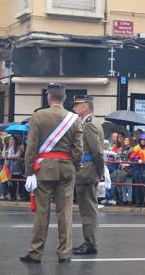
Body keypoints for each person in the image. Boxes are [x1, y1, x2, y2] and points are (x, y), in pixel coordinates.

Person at [20, 83, 83, 264]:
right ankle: (64, 253)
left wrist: (29, 171)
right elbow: (78, 149)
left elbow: (31, 147)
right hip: (66, 170)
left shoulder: (38, 116)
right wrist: (75, 167)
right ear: (64, 98)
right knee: (65, 214)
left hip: (43, 170)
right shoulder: (74, 118)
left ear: (49, 97)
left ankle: (35, 252)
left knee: (42, 213)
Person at [72, 95, 105, 255]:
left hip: (87, 172)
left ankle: (90, 243)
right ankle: (88, 241)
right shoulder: (91, 123)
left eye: (77, 105)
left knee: (88, 210)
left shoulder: (89, 125)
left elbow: (97, 152)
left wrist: (100, 171)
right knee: (86, 209)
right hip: (88, 171)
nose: (74, 108)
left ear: (85, 106)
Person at [130, 134, 145, 207]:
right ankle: (138, 202)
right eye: (142, 140)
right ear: (140, 141)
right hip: (137, 168)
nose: (143, 141)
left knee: (144, 185)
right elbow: (132, 157)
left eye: (144, 140)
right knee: (137, 185)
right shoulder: (136, 148)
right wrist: (137, 160)